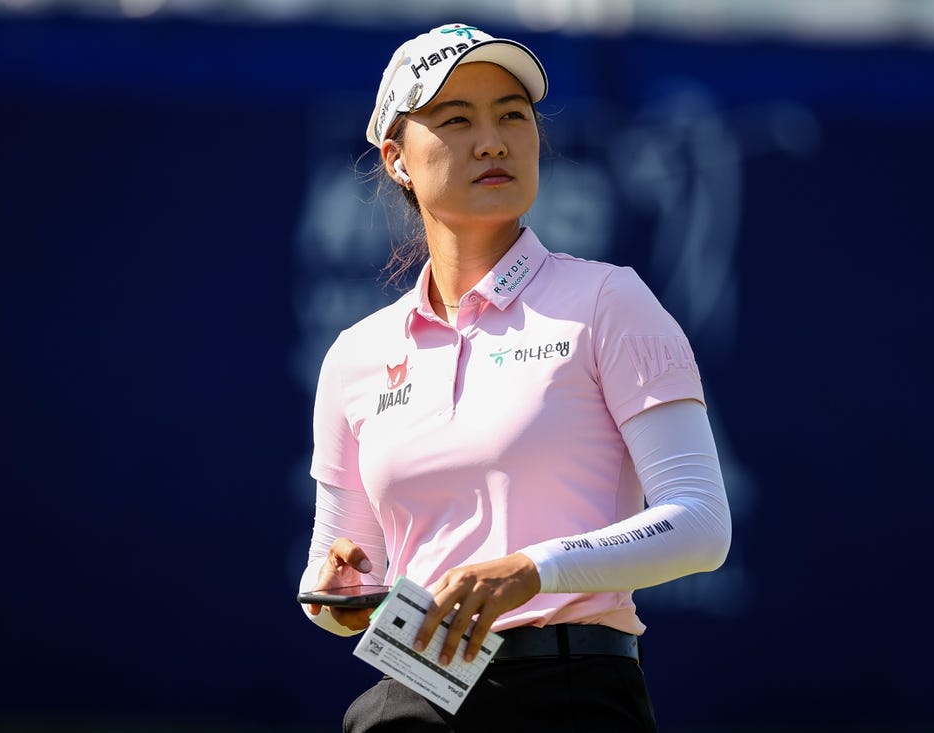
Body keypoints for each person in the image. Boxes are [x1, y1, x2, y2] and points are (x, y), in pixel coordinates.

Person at [298, 21, 732, 733]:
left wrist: (530, 568)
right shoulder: (356, 354)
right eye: (456, 119)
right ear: (397, 157)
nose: (493, 140)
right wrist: (342, 590)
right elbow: (335, 580)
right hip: (409, 693)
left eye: (511, 116)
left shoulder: (609, 301)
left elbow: (701, 524)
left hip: (573, 691)